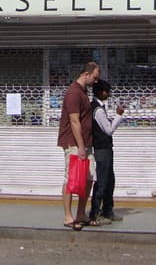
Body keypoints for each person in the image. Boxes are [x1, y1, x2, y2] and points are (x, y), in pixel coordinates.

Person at [57, 61, 100, 230]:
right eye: (95, 78)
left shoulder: (83, 92)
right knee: (71, 178)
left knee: (89, 177)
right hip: (74, 144)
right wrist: (81, 146)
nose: (95, 81)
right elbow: (74, 121)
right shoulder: (73, 93)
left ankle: (81, 213)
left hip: (86, 143)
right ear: (86, 74)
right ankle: (68, 216)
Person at [89, 80, 125, 225]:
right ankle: (95, 213)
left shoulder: (100, 108)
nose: (108, 94)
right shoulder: (97, 110)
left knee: (110, 180)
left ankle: (108, 210)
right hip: (102, 149)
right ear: (100, 92)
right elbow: (108, 130)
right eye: (106, 91)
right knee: (102, 181)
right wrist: (118, 115)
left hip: (106, 149)